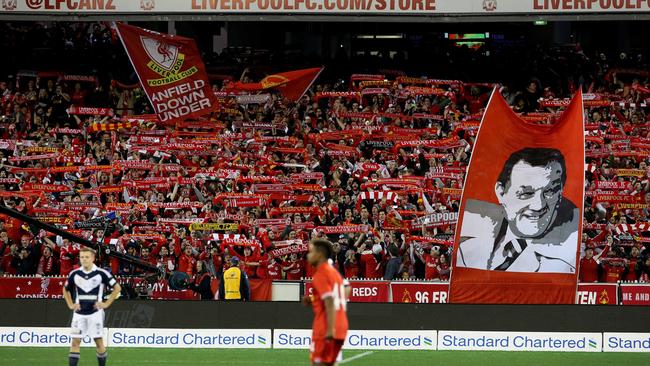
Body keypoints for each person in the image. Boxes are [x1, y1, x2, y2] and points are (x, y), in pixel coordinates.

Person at [457, 148, 580, 273]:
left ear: (561, 192)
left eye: (550, 191)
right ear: (501, 192)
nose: (539, 206)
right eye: (526, 193)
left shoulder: (570, 254)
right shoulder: (470, 229)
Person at [63, 247, 121, 366]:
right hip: (78, 314)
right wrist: (70, 304)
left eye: (87, 257)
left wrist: (106, 303)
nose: (84, 260)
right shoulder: (75, 273)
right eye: (82, 257)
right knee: (75, 342)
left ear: (93, 258)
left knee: (99, 342)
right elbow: (65, 289)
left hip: (96, 314)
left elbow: (117, 288)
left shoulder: (101, 273)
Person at [302, 239, 349, 366]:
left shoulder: (321, 274)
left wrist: (329, 329)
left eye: (311, 252)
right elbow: (345, 289)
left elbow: (329, 300)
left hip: (326, 326)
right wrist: (313, 300)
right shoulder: (335, 273)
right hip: (341, 326)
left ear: (319, 255)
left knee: (318, 363)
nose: (308, 256)